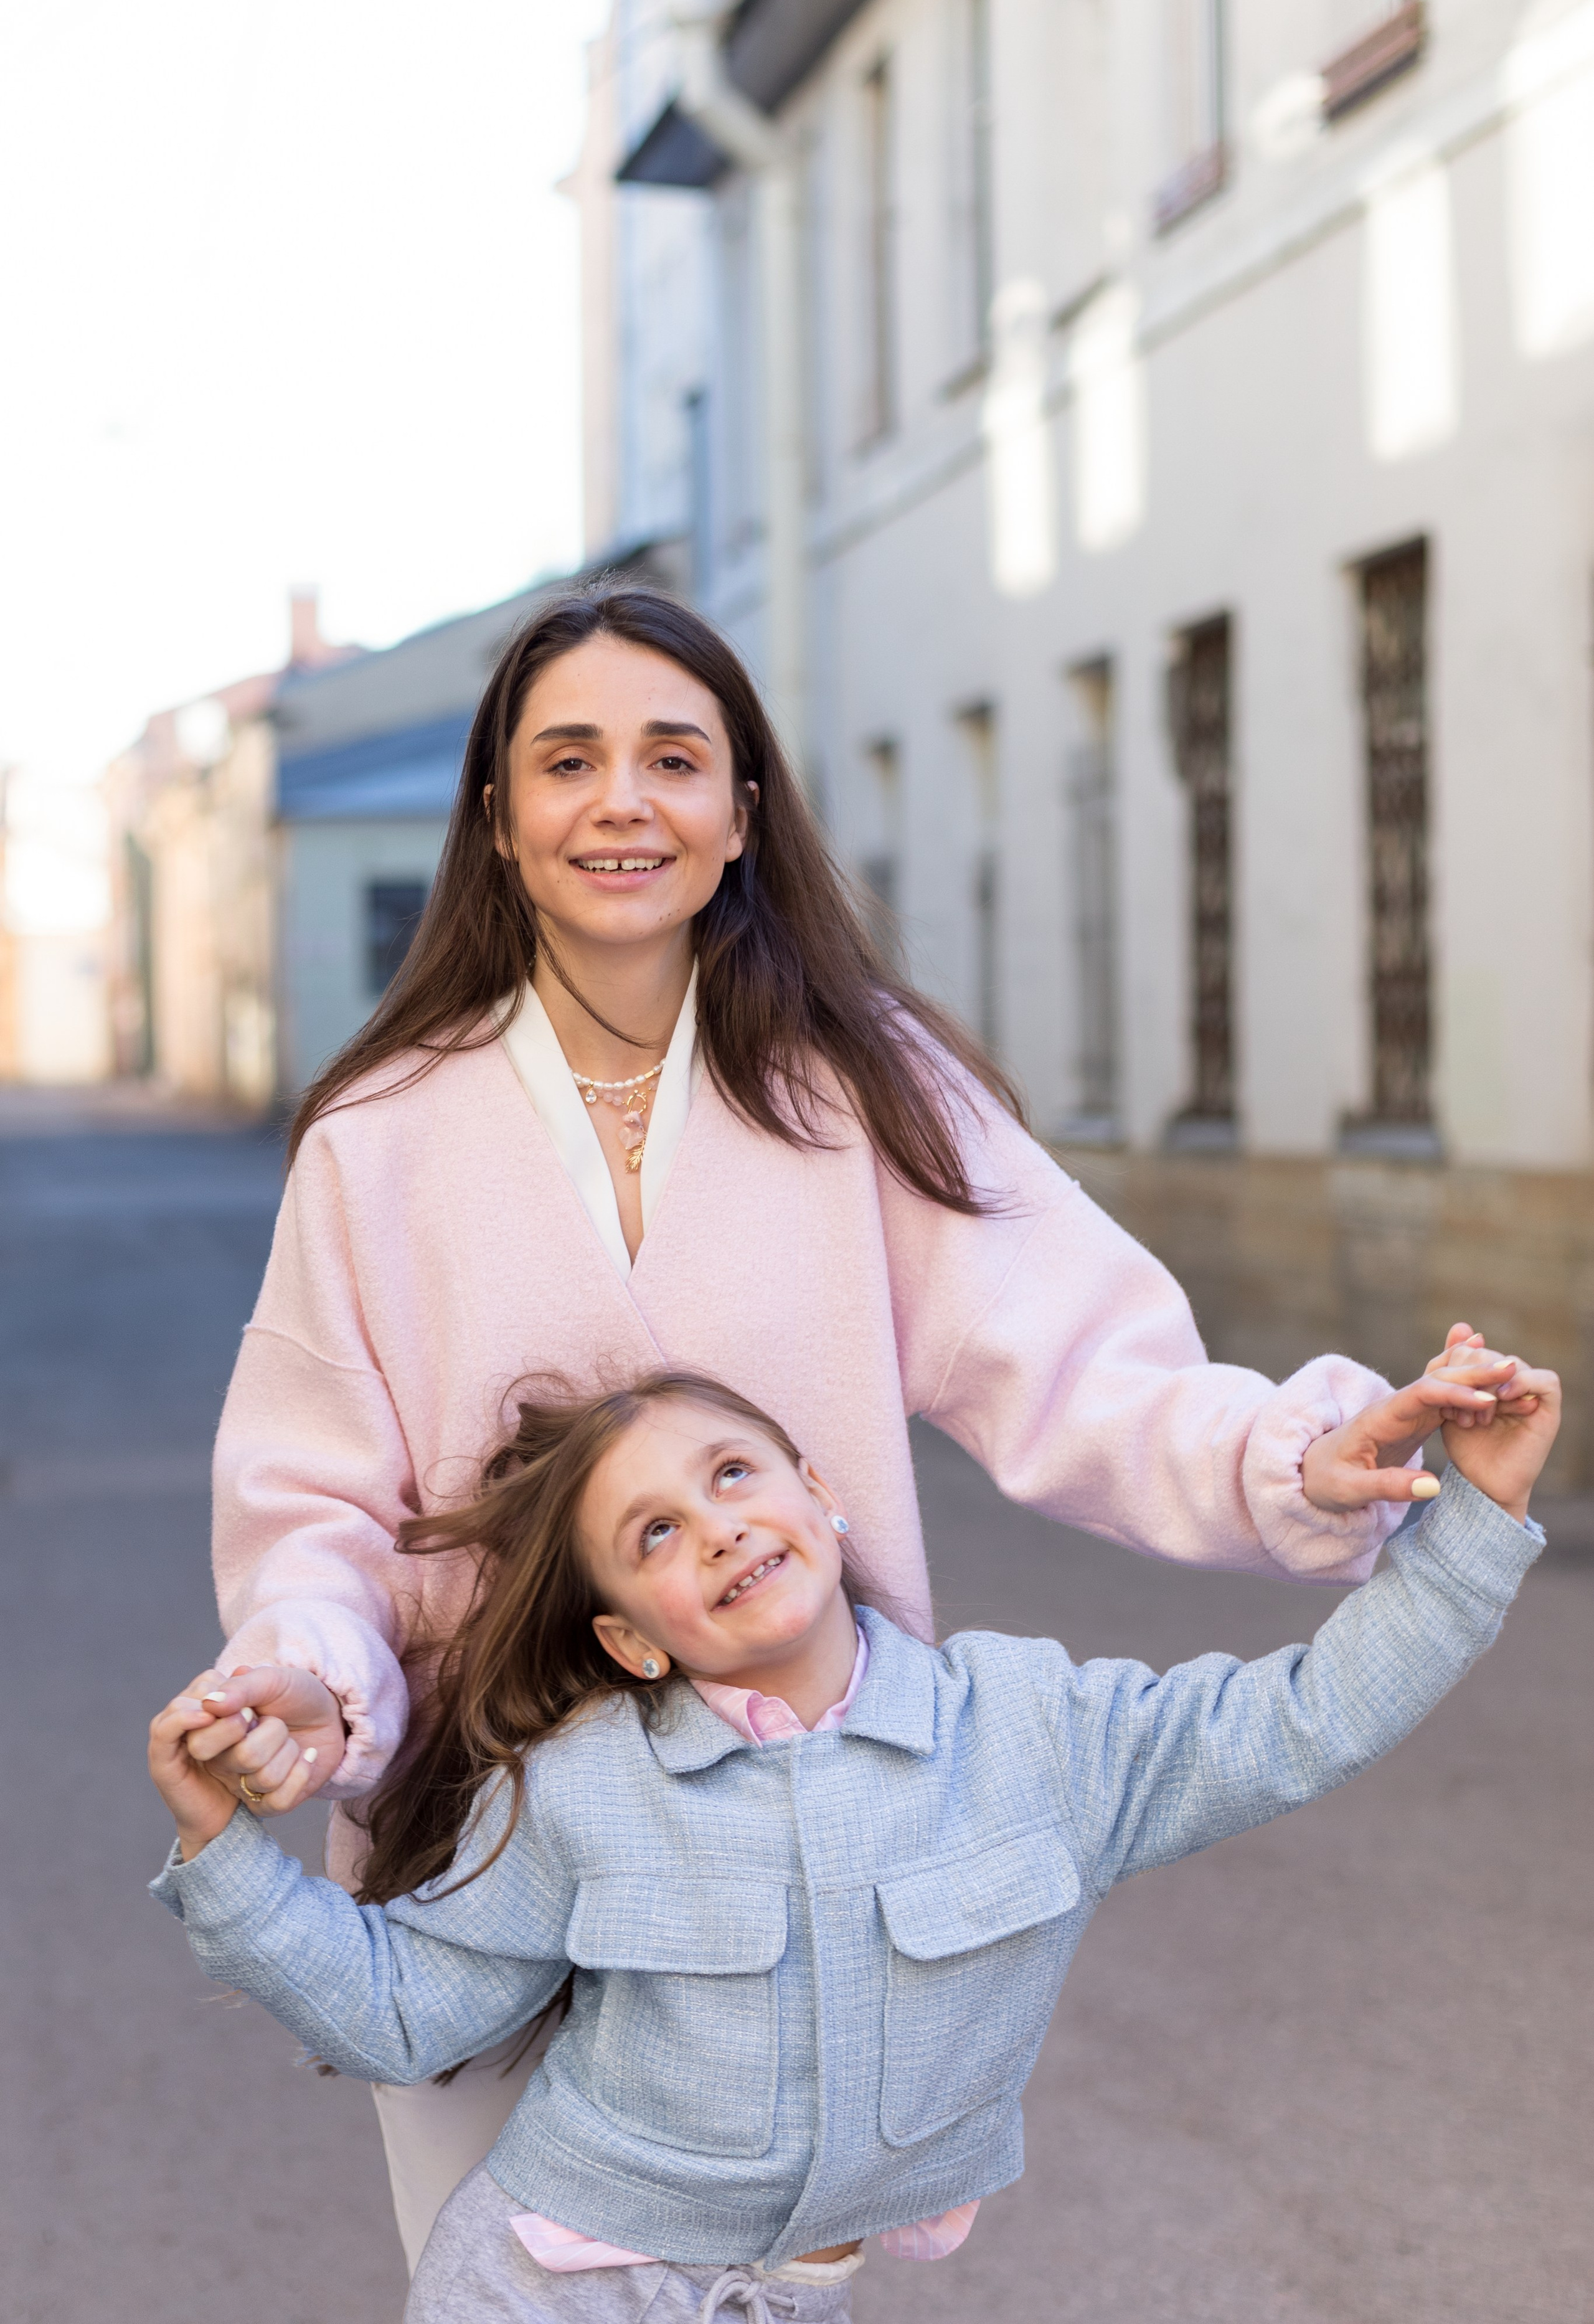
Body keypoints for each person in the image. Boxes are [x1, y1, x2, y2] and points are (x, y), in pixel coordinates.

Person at [178, 583, 1516, 2268]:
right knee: (508, 2289)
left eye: (675, 759)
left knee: (769, 2302)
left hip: (807, 1845)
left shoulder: (856, 1085)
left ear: (740, 817)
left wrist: (1286, 1460)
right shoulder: (379, 1135)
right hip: (492, 1836)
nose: (622, 802)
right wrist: (307, 1677)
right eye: (567, 761)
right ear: (500, 822)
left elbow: (1079, 1360)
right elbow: (315, 1499)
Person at [151, 1348, 1557, 2323]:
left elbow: (1302, 1720)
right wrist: (222, 1858)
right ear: (628, 1644)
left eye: (733, 1475)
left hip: (795, 2294)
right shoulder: (585, 1786)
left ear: (819, 1494)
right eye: (649, 1536)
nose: (713, 1528)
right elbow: (406, 2012)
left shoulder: (1030, 1730)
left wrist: (1477, 1516)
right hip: (548, 2287)